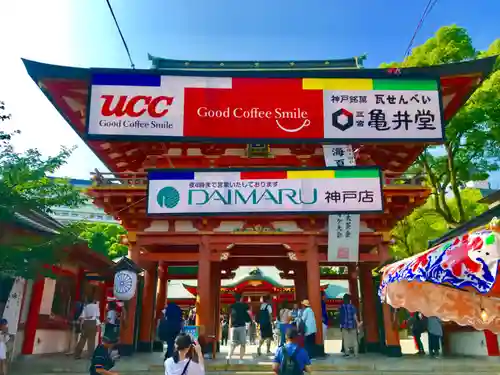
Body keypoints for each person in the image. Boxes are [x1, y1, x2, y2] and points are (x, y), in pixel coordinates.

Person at [227, 293, 251, 364]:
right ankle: (240, 359)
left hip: (234, 327)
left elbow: (230, 316)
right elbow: (248, 307)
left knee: (233, 344)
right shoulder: (243, 305)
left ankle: (229, 356)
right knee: (243, 344)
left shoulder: (232, 306)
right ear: (241, 298)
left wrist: (230, 326)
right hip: (242, 326)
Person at [339, 294, 360, 358]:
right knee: (354, 340)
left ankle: (347, 353)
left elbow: (341, 317)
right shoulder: (353, 307)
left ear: (344, 300)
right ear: (349, 300)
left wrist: (340, 325)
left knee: (346, 340)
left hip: (344, 325)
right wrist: (357, 323)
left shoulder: (341, 307)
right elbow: (355, 316)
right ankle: (356, 353)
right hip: (352, 325)